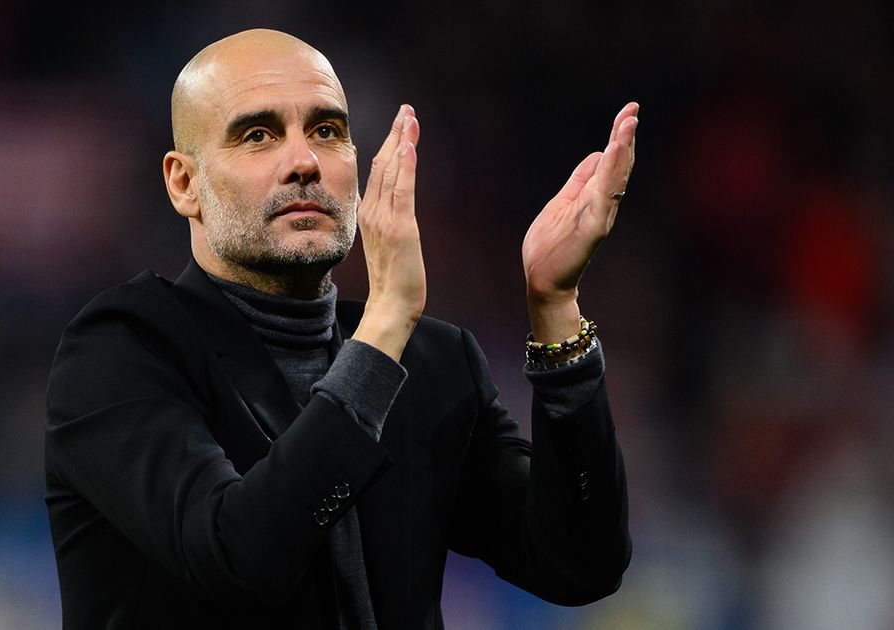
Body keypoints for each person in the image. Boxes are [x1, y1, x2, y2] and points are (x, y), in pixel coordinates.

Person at [45, 28, 636, 630]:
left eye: (327, 131)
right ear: (184, 183)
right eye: (258, 135)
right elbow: (236, 556)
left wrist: (554, 305)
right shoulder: (120, 350)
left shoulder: (432, 360)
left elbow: (580, 565)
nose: (304, 162)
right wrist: (384, 324)